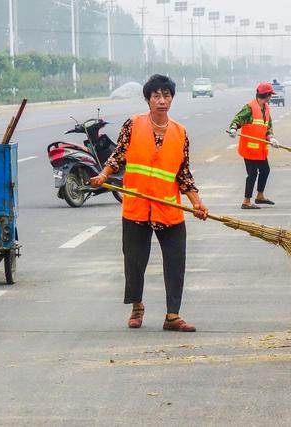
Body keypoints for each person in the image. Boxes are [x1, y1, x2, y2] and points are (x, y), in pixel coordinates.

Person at [90, 74, 208, 332]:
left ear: (172, 99)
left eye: (166, 96)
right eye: (156, 96)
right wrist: (103, 176)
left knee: (176, 261)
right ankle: (137, 306)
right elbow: (118, 156)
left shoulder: (180, 132)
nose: (162, 101)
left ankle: (172, 316)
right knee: (134, 260)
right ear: (148, 99)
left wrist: (197, 202)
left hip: (168, 208)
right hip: (137, 207)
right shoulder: (133, 125)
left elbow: (183, 173)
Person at [228, 82, 280, 209]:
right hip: (249, 149)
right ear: (266, 95)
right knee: (252, 174)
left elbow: (268, 126)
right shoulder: (250, 107)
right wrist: (233, 129)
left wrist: (271, 138)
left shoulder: (266, 108)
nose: (271, 97)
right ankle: (246, 201)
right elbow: (238, 119)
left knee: (265, 170)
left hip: (260, 149)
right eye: (270, 95)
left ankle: (260, 196)